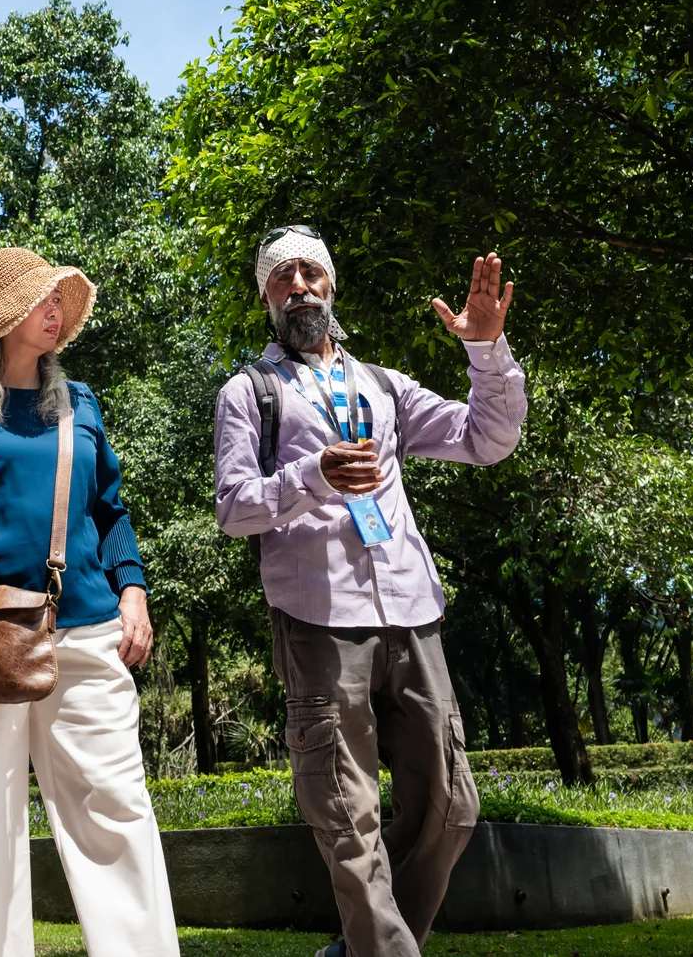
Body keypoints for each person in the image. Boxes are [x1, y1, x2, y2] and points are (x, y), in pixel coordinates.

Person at [213, 226, 527, 957]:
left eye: (310, 272)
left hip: (412, 612)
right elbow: (233, 508)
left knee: (451, 808)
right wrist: (312, 477)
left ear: (330, 285)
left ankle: (358, 952)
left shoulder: (382, 386)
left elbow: (488, 438)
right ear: (264, 296)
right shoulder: (248, 393)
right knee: (346, 818)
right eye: (281, 276)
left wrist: (483, 350)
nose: (298, 285)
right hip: (317, 620)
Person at [0, 247, 179, 957]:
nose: (55, 313)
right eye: (40, 300)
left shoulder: (80, 405)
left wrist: (133, 589)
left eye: (60, 301)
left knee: (115, 812)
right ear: (4, 316)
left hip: (84, 629)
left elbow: (109, 511)